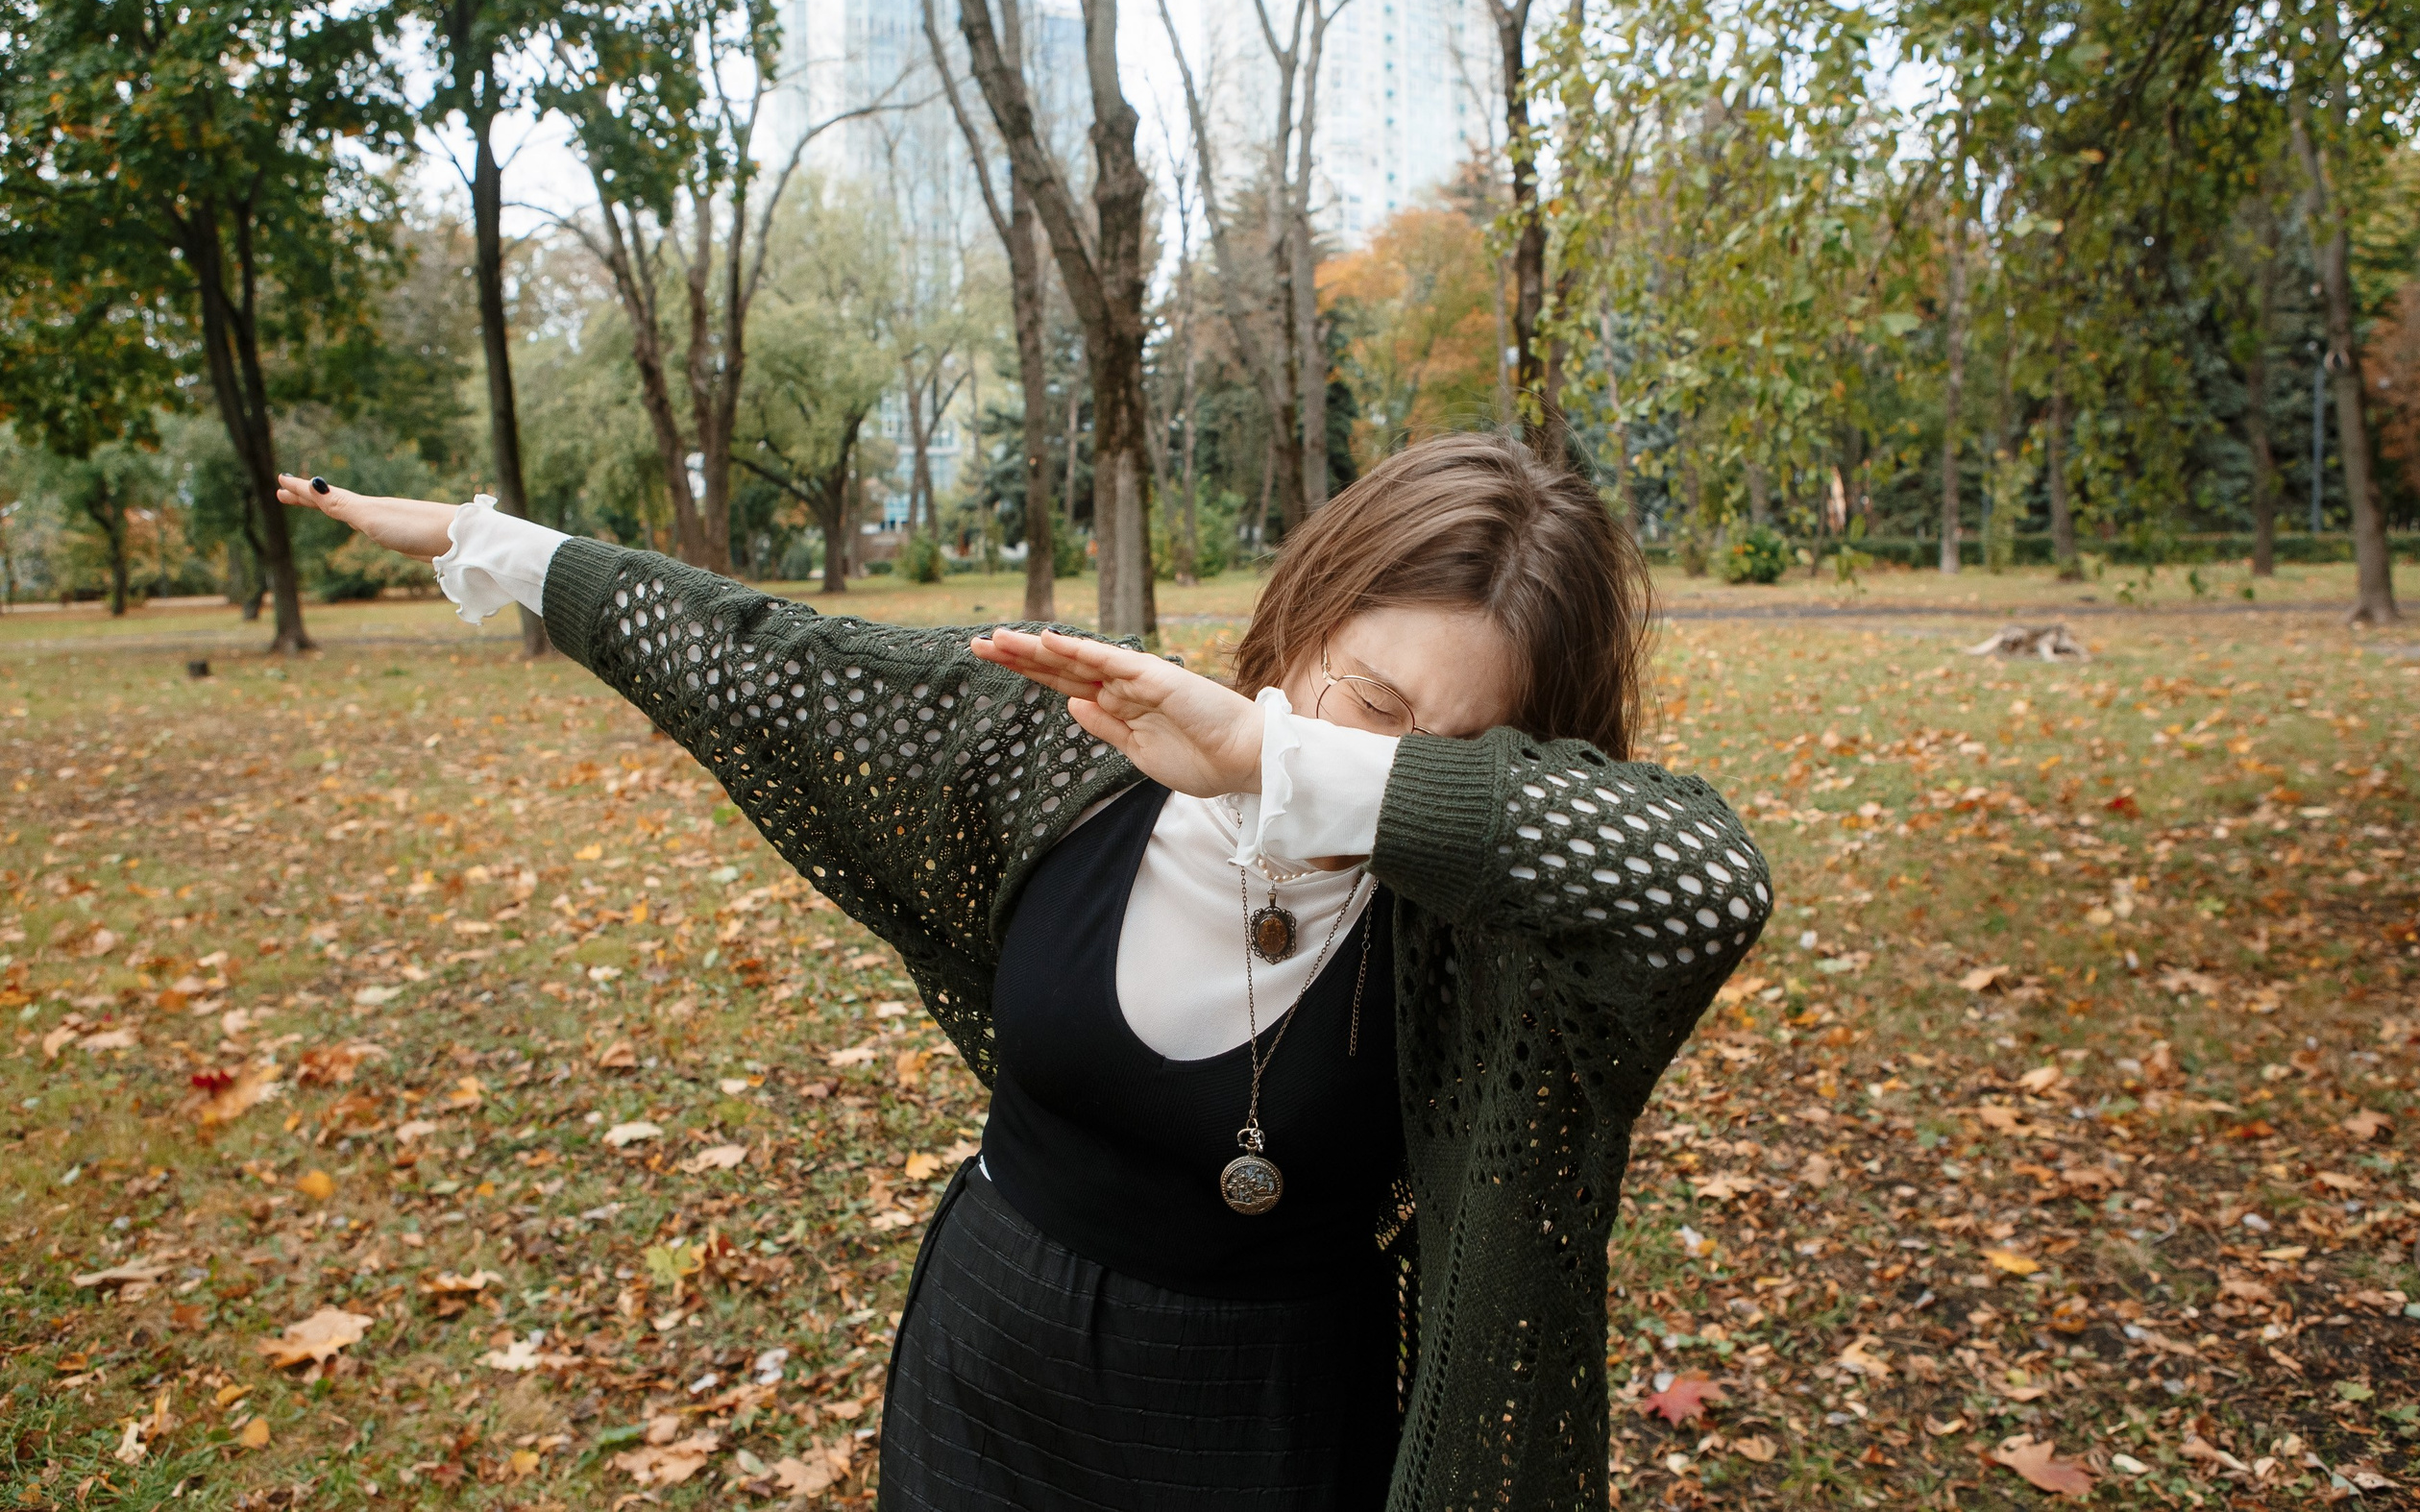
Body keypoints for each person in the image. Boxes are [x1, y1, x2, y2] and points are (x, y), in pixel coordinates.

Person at [276, 431, 1772, 1511]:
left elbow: (1711, 883)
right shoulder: (1076, 739)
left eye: (1451, 745)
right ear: (1302, 611)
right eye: (1361, 699)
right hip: (990, 1360)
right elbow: (759, 661)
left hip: (1264, 1424)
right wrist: (494, 546)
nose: (1380, 755)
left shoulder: (1506, 932)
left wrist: (1283, 759)